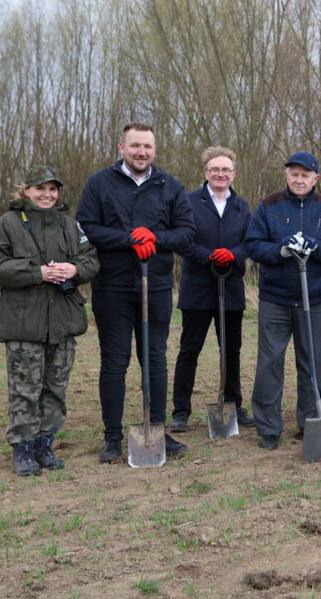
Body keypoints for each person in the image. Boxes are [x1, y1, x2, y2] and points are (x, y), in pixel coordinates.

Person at [76, 123, 196, 463]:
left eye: (147, 146)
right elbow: (86, 227)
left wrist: (154, 239)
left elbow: (187, 232)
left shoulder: (170, 186)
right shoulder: (99, 183)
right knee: (114, 361)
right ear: (122, 147)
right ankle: (113, 437)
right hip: (112, 286)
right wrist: (129, 238)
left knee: (154, 359)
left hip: (155, 285)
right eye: (135, 146)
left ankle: (156, 429)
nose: (141, 152)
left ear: (155, 149)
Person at [0, 165, 99, 476]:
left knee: (55, 389)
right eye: (40, 189)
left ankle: (45, 445)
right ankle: (22, 449)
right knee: (24, 390)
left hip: (62, 322)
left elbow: (91, 259)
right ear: (26, 191)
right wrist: (38, 273)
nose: (47, 195)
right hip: (24, 324)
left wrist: (74, 270)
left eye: (52, 189)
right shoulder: (5, 225)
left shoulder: (69, 226)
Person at [244, 151, 321, 450]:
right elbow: (252, 244)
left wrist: (316, 247)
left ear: (316, 178)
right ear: (287, 175)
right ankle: (268, 428)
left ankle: (310, 420)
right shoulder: (269, 206)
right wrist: (280, 251)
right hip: (275, 298)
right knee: (269, 363)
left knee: (312, 363)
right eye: (294, 173)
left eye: (305, 174)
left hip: (313, 300)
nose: (299, 179)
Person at [170, 147, 254, 432]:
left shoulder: (242, 207)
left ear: (233, 174)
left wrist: (233, 254)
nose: (220, 174)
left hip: (230, 286)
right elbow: (182, 240)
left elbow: (250, 242)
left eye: (225, 170)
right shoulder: (189, 202)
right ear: (205, 173)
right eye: (214, 169)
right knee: (189, 350)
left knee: (231, 350)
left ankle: (233, 403)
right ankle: (180, 411)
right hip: (197, 287)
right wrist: (208, 256)